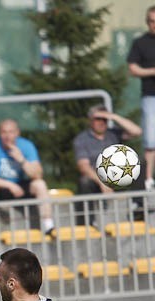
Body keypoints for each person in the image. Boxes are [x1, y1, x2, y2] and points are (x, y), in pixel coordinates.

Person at [0, 119, 54, 237]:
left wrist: (21, 159)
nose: (8, 136)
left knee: (40, 184)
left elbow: (38, 174)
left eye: (11, 132)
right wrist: (10, 185)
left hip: (22, 185)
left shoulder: (26, 146)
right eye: (4, 132)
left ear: (17, 133)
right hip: (1, 188)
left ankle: (49, 226)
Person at [72, 105, 142, 225]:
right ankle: (87, 222)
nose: (102, 122)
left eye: (105, 119)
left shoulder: (113, 134)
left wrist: (114, 117)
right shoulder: (82, 139)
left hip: (117, 176)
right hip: (96, 180)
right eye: (98, 118)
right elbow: (83, 166)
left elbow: (137, 131)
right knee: (85, 181)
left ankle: (138, 209)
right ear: (91, 120)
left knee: (138, 167)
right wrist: (102, 182)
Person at [127, 5, 155, 192]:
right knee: (151, 140)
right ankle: (149, 178)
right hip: (150, 95)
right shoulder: (140, 43)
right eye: (152, 21)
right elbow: (133, 68)